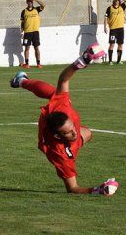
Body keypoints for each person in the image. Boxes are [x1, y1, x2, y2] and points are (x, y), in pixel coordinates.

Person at [10, 43, 119, 195]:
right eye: (68, 132)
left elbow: (63, 80)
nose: (74, 132)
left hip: (57, 116)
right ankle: (21, 81)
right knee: (73, 148)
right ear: (58, 135)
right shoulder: (60, 155)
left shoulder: (64, 110)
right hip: (51, 140)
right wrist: (99, 190)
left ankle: (21, 81)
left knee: (58, 96)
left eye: (72, 128)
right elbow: (73, 189)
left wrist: (83, 61)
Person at [20, 0, 45, 68]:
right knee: (27, 48)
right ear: (26, 2)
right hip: (27, 32)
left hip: (35, 32)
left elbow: (43, 5)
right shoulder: (24, 11)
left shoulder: (37, 9)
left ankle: (38, 63)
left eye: (31, 1)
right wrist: (22, 32)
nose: (30, 2)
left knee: (36, 48)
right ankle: (26, 63)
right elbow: (22, 23)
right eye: (29, 1)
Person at [104, 0, 126, 65]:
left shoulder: (122, 7)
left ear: (119, 0)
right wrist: (105, 27)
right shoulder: (109, 8)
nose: (116, 1)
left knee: (120, 44)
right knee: (112, 44)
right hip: (113, 29)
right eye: (115, 0)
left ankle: (118, 60)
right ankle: (110, 61)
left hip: (121, 29)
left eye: (117, 0)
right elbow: (106, 18)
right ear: (113, 0)